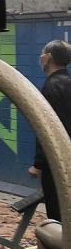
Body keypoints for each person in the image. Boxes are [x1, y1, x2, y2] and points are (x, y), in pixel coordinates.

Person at [29, 38, 71, 221]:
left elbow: (47, 130)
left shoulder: (51, 86)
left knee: (57, 211)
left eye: (42, 54)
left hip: (56, 162)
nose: (40, 57)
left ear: (47, 57)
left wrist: (38, 164)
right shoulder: (68, 82)